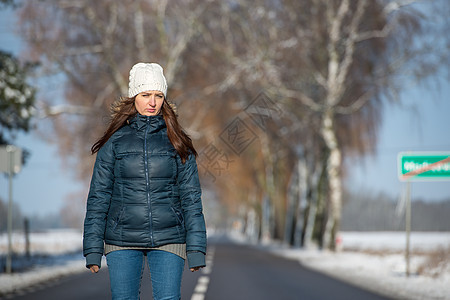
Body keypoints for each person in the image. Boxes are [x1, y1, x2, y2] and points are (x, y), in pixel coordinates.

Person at [83, 62, 207, 300]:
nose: (152, 102)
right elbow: (99, 196)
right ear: (133, 97)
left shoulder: (179, 143)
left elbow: (191, 199)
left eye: (159, 95)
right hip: (121, 240)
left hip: (169, 238)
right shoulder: (114, 143)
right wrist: (93, 247)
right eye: (146, 95)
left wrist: (196, 248)